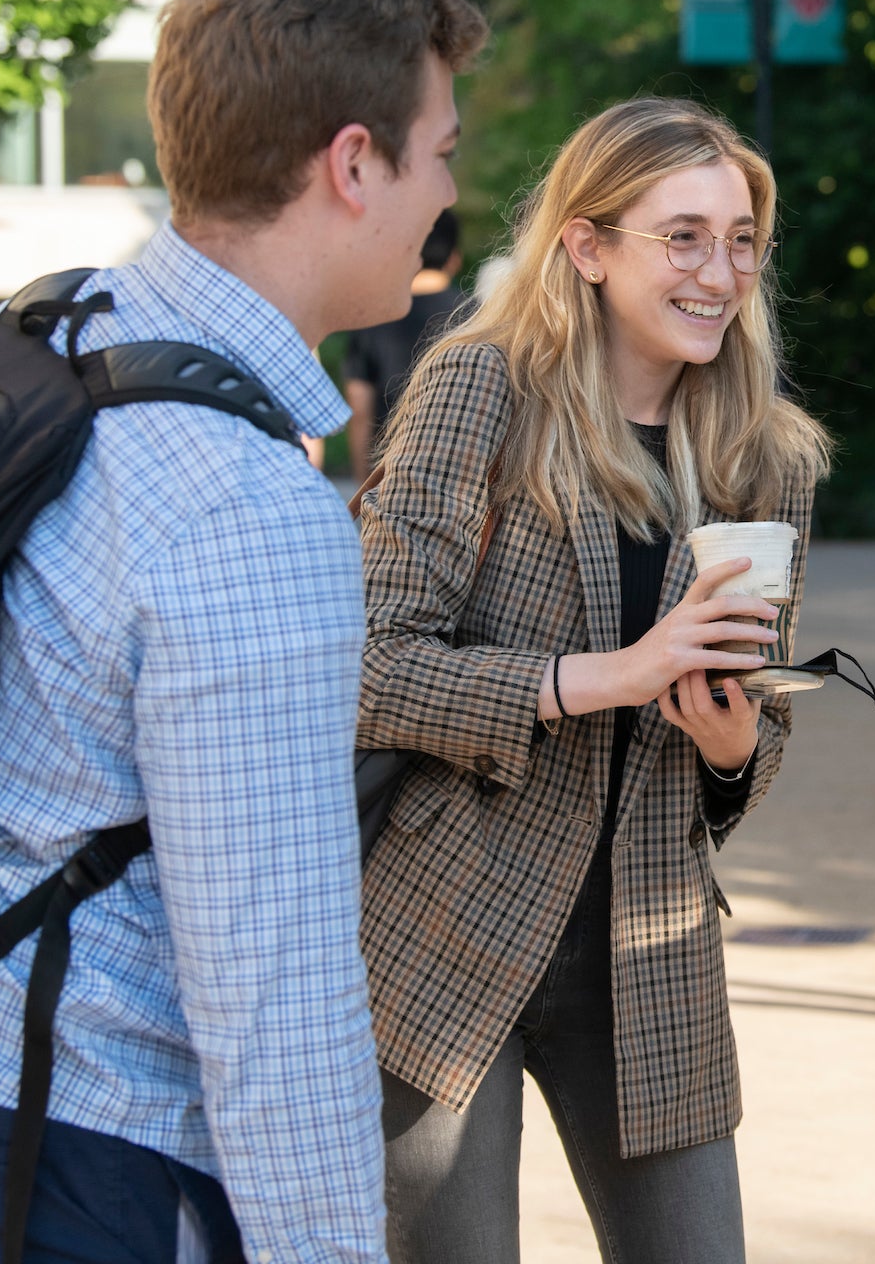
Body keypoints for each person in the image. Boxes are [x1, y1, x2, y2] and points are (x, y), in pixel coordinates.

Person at [0, 0, 490, 1262]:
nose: (447, 197)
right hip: (70, 1158)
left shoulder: (57, 339)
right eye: (442, 153)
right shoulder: (243, 503)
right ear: (354, 165)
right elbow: (271, 978)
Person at [355, 96, 831, 1264]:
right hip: (444, 929)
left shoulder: (767, 455)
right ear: (585, 245)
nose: (719, 270)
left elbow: (754, 744)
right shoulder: (482, 391)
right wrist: (604, 677)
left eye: (740, 239)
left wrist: (729, 746)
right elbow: (368, 668)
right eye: (683, 236)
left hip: (650, 946)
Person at [343, 208, 470, 481]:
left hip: (390, 478)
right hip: (464, 479)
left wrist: (363, 482)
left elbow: (360, 405)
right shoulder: (479, 317)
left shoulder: (373, 318)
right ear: (454, 259)